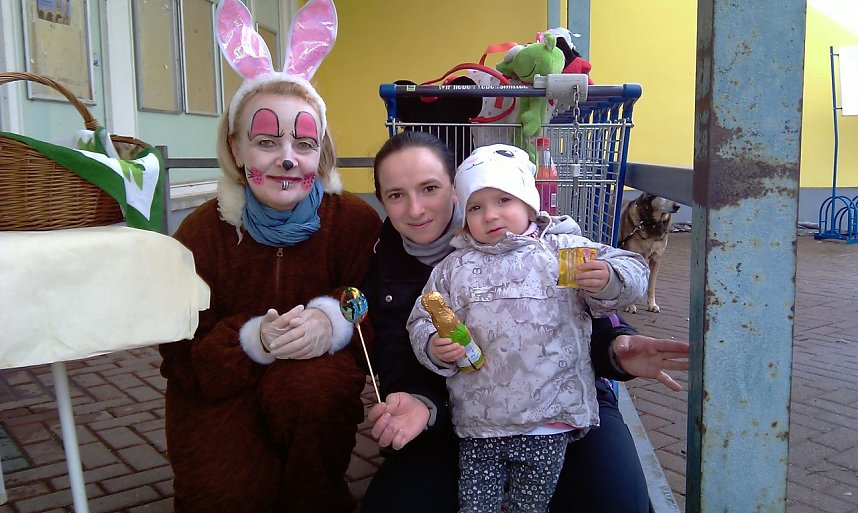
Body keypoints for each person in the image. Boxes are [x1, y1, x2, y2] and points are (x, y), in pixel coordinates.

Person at [361, 131, 689, 513]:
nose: (415, 209)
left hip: (558, 410)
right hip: (472, 418)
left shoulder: (554, 247)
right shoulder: (421, 267)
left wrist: (617, 343)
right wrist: (424, 392)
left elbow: (596, 303)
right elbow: (406, 343)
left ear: (452, 190)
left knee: (612, 501)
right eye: (396, 195)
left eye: (429, 188)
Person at [159, 1, 382, 512]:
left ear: (319, 151)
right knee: (224, 497)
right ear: (236, 149)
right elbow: (178, 353)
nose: (287, 156)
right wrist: (251, 339)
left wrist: (334, 321)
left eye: (303, 142)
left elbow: (368, 298)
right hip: (221, 392)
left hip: (305, 391)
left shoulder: (351, 222)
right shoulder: (201, 232)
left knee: (316, 398)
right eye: (266, 140)